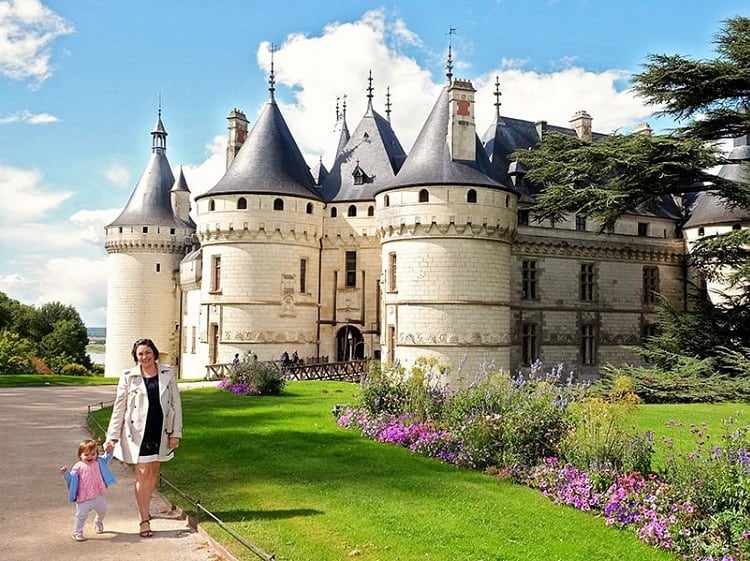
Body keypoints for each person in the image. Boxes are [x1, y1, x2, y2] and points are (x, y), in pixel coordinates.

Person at [104, 338, 182, 538]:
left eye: (147, 352)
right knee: (143, 472)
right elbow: (119, 407)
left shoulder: (167, 373)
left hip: (161, 429)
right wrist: (112, 436)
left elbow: (176, 404)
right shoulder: (128, 376)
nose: (144, 357)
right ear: (135, 357)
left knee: (153, 470)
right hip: (138, 432)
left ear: (154, 353)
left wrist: (176, 433)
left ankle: (145, 507)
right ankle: (144, 519)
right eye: (140, 354)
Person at [60, 439, 116, 542]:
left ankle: (98, 521)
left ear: (96, 454)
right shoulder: (78, 467)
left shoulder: (99, 461)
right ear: (80, 455)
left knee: (103, 510)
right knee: (81, 515)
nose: (90, 457)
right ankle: (78, 532)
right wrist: (65, 474)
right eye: (86, 454)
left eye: (93, 454)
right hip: (84, 497)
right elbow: (72, 480)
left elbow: (108, 457)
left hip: (98, 494)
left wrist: (110, 450)